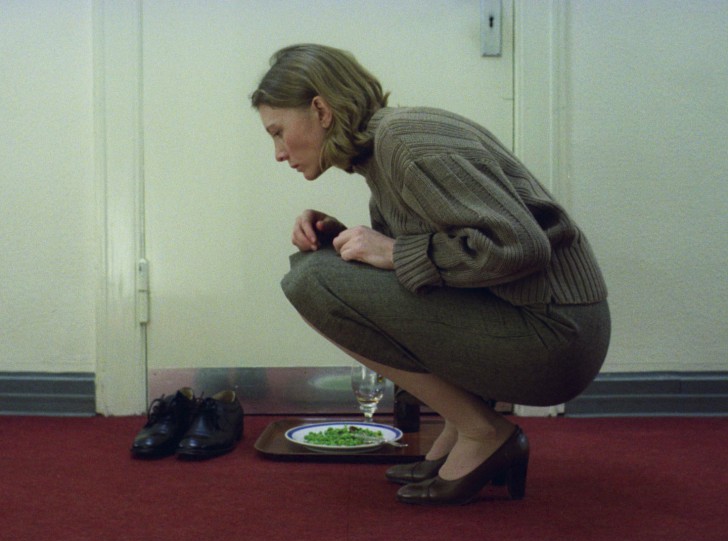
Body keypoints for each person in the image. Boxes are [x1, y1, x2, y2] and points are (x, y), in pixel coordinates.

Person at [251, 44, 610, 505]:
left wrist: (393, 251)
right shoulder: (384, 149)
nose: (279, 153)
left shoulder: (404, 142)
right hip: (543, 322)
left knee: (310, 281)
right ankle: (463, 426)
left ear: (321, 110)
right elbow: (429, 263)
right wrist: (340, 239)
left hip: (557, 337)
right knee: (315, 268)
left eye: (278, 132)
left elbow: (519, 247)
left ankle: (482, 432)